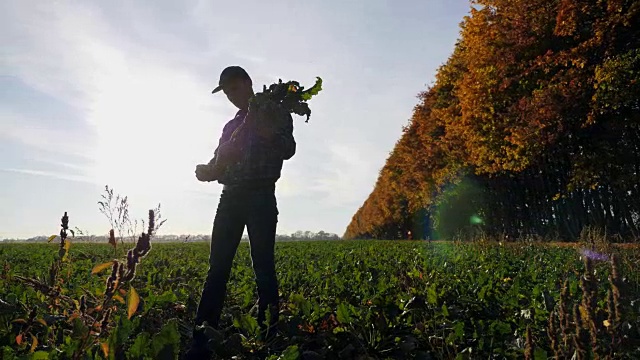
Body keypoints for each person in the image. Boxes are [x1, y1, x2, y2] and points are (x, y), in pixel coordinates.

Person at [186, 66, 296, 358]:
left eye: (235, 88)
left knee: (263, 267)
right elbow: (219, 161)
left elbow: (289, 149)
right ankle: (202, 336)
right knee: (217, 269)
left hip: (261, 196)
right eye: (227, 92)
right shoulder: (230, 126)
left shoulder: (274, 111)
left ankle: (269, 335)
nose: (232, 96)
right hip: (230, 198)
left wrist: (267, 132)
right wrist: (207, 171)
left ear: (248, 84)